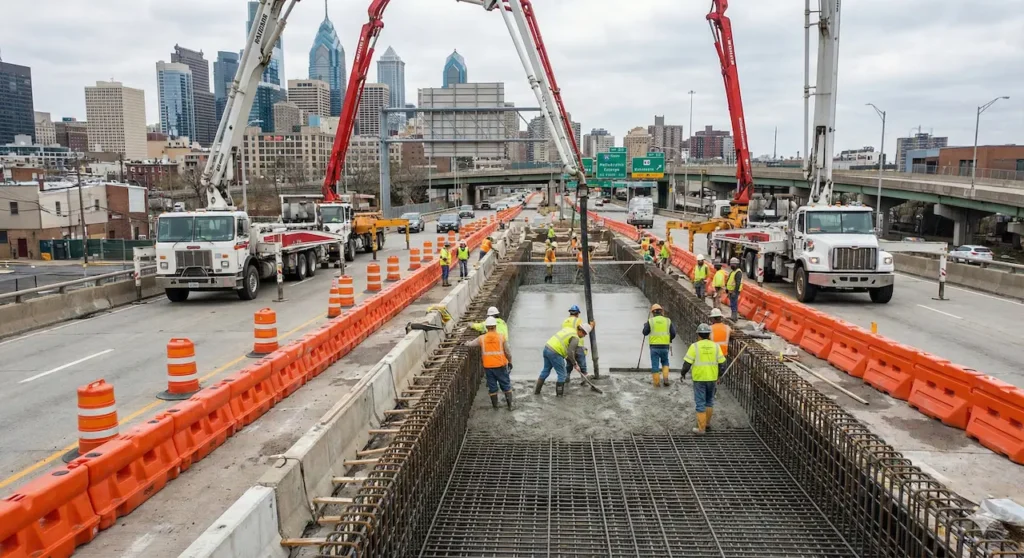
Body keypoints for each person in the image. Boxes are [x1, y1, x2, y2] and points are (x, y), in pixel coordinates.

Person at [681, 323, 726, 433]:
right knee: (709, 401)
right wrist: (719, 376)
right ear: (709, 335)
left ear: (699, 335)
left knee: (700, 402)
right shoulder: (716, 346)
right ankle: (707, 423)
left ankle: (701, 428)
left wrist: (683, 373)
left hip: (699, 379)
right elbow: (722, 363)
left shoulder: (694, 346)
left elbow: (687, 363)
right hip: (712, 378)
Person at [464, 317, 513, 409]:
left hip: (488, 367)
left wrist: (465, 343)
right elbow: (508, 352)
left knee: (492, 387)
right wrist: (510, 362)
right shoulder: (501, 337)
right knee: (506, 385)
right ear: (495, 326)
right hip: (501, 366)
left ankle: (495, 407)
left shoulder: (481, 338)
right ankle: (510, 406)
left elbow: (471, 344)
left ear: (486, 327)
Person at [536, 322, 591, 397]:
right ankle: (559, 396)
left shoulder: (569, 329)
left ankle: (537, 391)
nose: (584, 336)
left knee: (546, 370)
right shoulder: (575, 338)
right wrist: (575, 364)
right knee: (562, 374)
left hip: (547, 348)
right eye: (584, 334)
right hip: (555, 352)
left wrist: (572, 361)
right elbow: (570, 352)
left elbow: (566, 349)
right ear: (582, 331)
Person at [642, 303, 676, 387]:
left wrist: (646, 325)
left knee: (655, 364)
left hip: (654, 347)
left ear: (653, 312)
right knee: (665, 361)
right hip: (665, 346)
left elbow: (645, 332)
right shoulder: (668, 321)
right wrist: (669, 339)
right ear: (661, 312)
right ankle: (665, 379)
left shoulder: (651, 321)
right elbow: (673, 333)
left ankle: (657, 383)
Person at [562, 305, 589, 380]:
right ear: (577, 313)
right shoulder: (578, 320)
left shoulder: (564, 321)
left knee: (569, 365)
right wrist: (592, 325)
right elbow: (583, 330)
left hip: (568, 345)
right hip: (578, 344)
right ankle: (584, 380)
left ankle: (566, 379)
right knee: (582, 365)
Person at [726, 256, 743, 320]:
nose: (732, 265)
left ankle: (734, 317)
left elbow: (738, 283)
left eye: (733, 264)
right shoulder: (732, 272)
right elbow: (729, 281)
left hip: (734, 291)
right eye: (731, 264)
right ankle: (733, 316)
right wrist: (727, 289)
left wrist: (735, 292)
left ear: (737, 264)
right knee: (732, 304)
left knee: (734, 304)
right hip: (731, 291)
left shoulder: (738, 272)